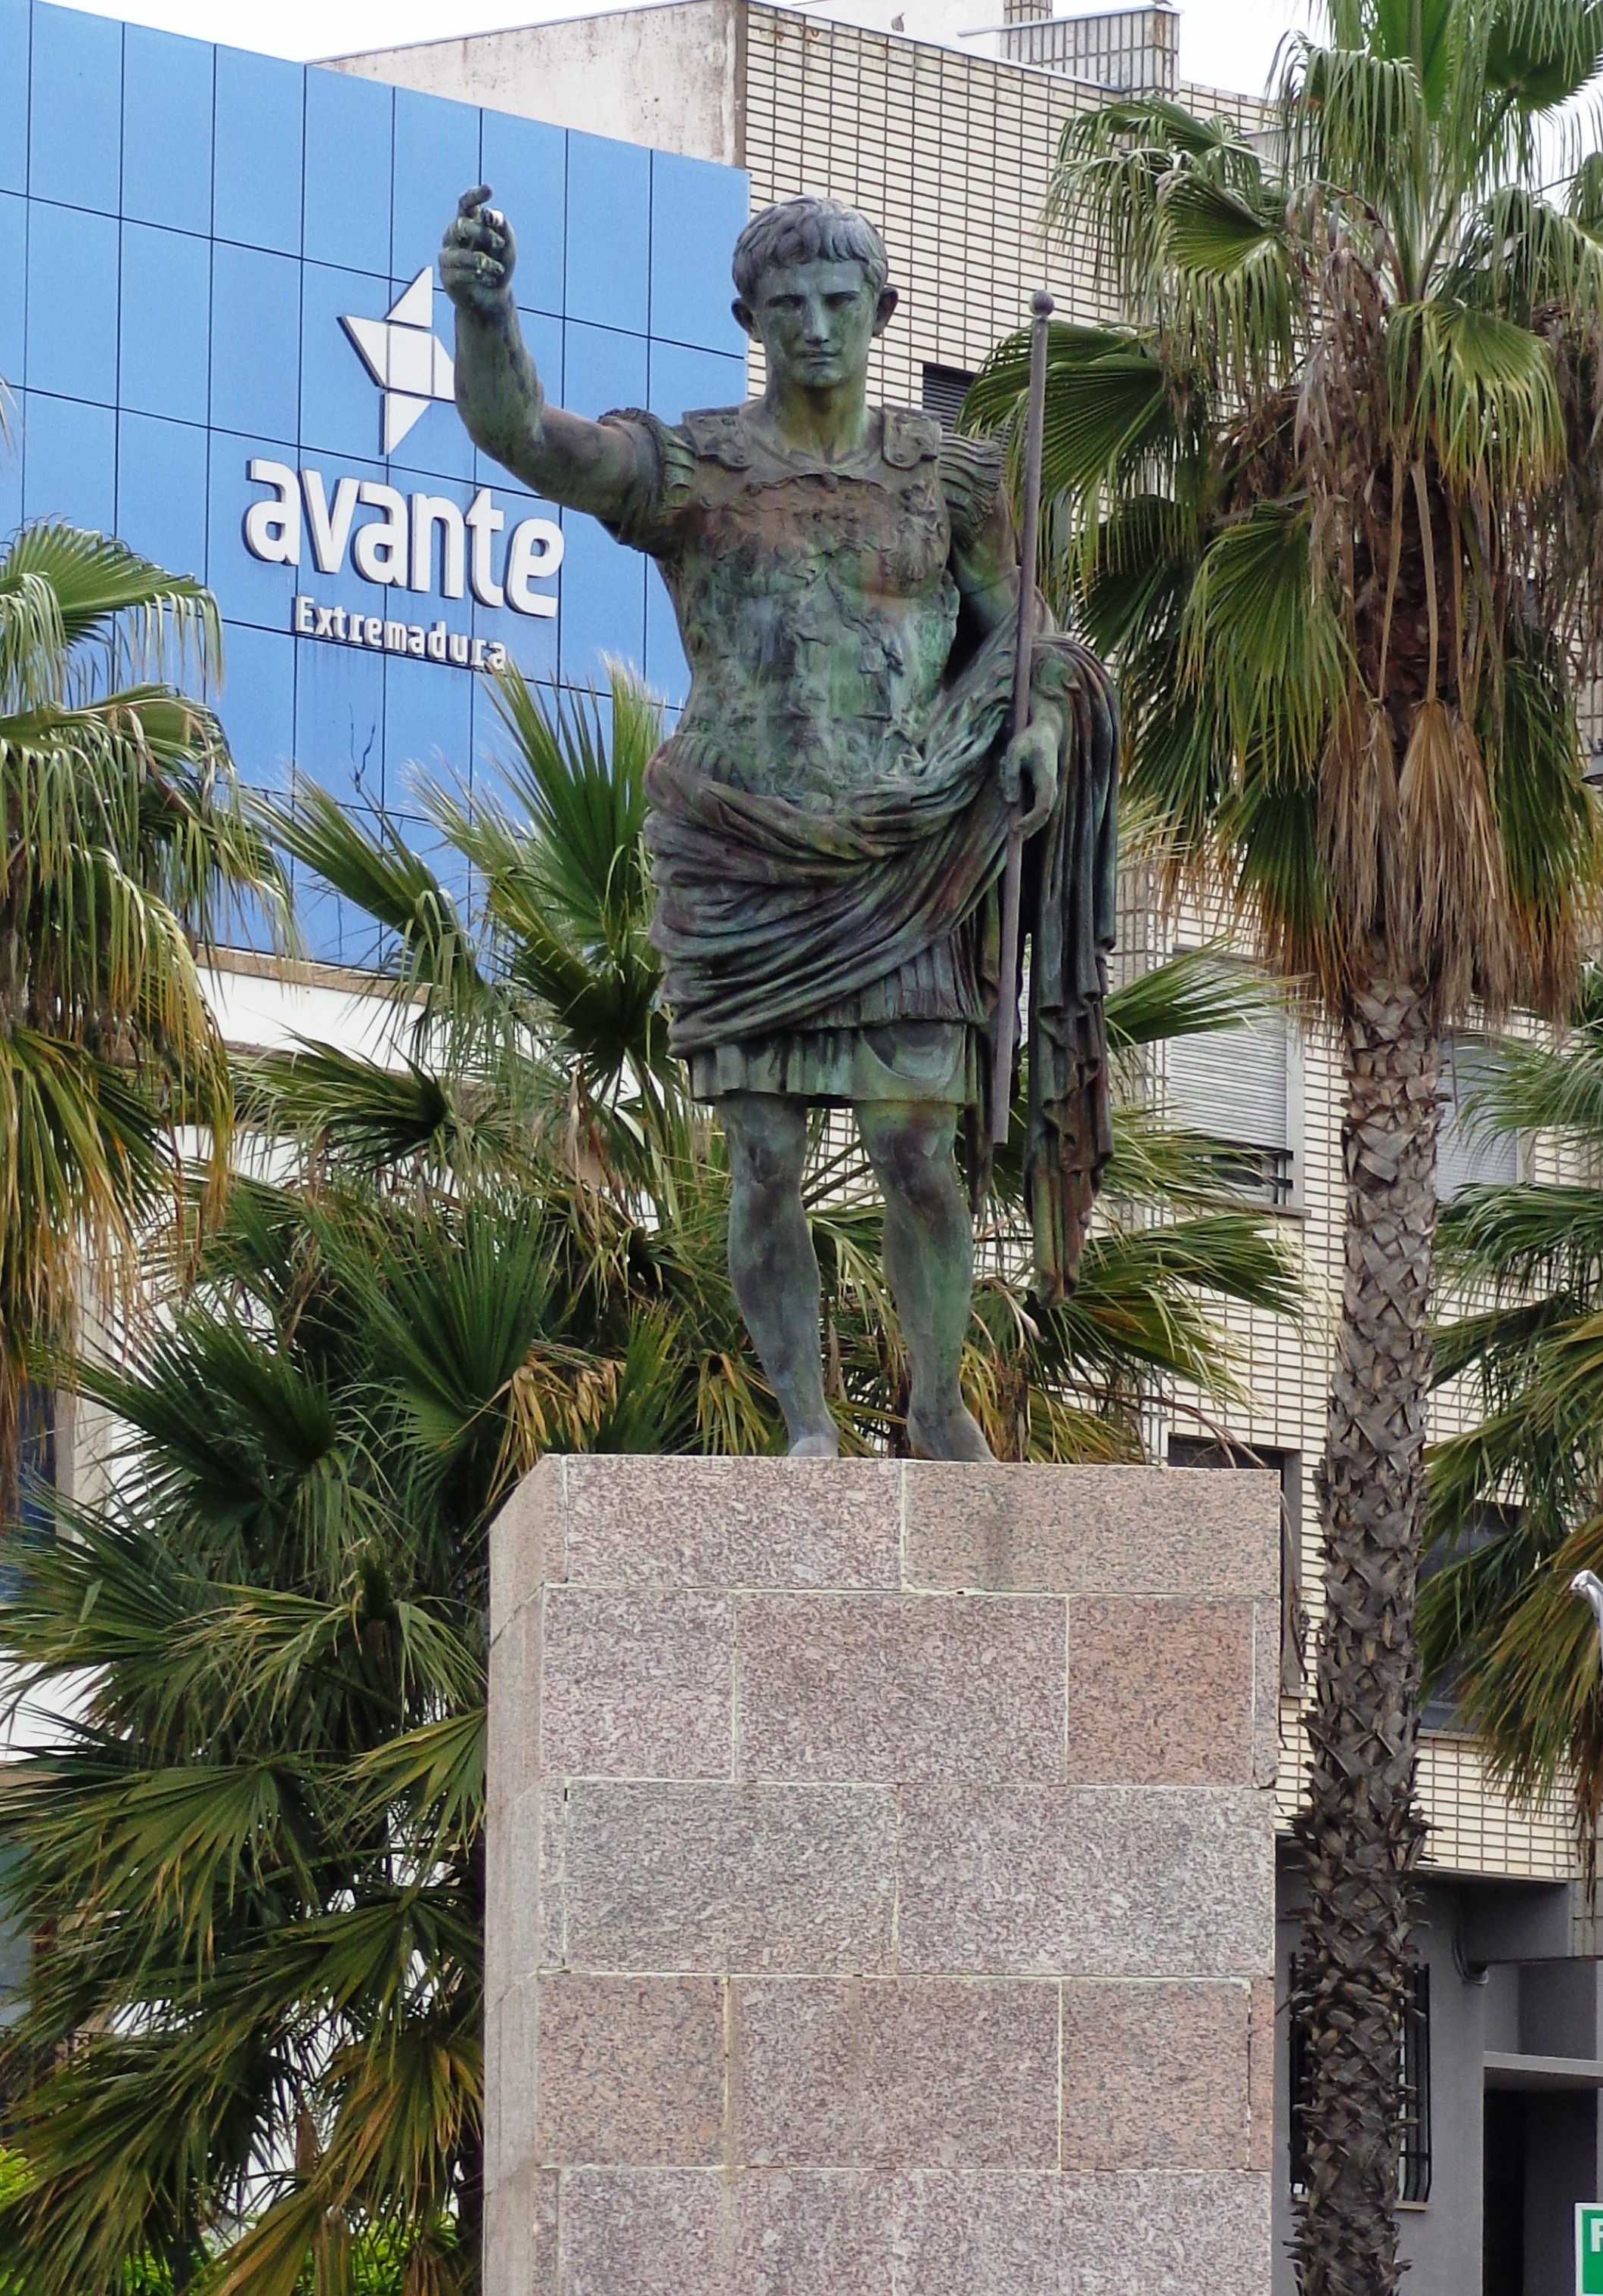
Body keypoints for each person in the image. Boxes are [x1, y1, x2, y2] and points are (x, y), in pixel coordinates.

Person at [437, 183, 1118, 1460]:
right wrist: (485, 314)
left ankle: (929, 1398)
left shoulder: (951, 478)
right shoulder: (695, 467)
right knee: (761, 1162)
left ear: (882, 313)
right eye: (789, 303)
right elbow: (528, 434)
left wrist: (1036, 731)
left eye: (839, 303)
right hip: (741, 845)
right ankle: (805, 1421)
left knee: (920, 1152)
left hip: (904, 852)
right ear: (750, 316)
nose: (815, 326)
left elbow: (1020, 634)